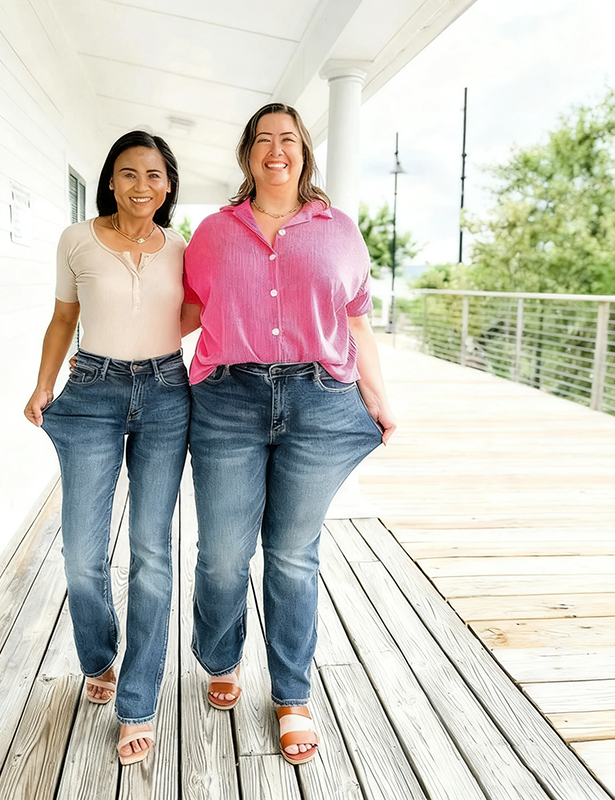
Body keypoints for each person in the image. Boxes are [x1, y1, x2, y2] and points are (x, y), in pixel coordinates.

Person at [182, 103, 396, 765]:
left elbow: (358, 326)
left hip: (319, 400)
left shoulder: (340, 231)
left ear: (304, 153)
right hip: (227, 402)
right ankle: (220, 656)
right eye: (264, 140)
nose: (277, 150)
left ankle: (292, 694)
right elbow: (185, 311)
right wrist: (110, 351)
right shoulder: (213, 233)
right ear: (248, 155)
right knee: (221, 552)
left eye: (289, 140)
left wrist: (379, 399)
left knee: (293, 554)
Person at [24, 131, 192, 765]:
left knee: (152, 552)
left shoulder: (183, 246)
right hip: (90, 389)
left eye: (153, 175)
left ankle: (139, 699)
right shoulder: (76, 239)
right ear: (110, 180)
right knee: (82, 553)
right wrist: (44, 385)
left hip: (167, 391)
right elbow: (63, 319)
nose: (140, 186)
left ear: (168, 185)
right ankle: (98, 655)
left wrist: (149, 338)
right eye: (128, 174)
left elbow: (203, 308)